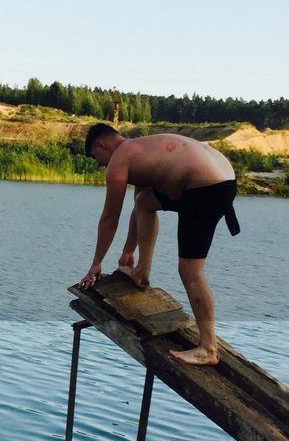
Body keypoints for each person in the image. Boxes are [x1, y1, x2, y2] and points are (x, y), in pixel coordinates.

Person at [77, 124, 240, 366]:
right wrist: (128, 250)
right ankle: (142, 272)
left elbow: (110, 217)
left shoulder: (119, 161)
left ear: (102, 144)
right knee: (145, 202)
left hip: (206, 188)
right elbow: (140, 205)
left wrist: (96, 263)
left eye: (96, 157)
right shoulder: (141, 150)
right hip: (221, 178)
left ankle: (208, 348)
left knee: (190, 270)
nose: (99, 164)